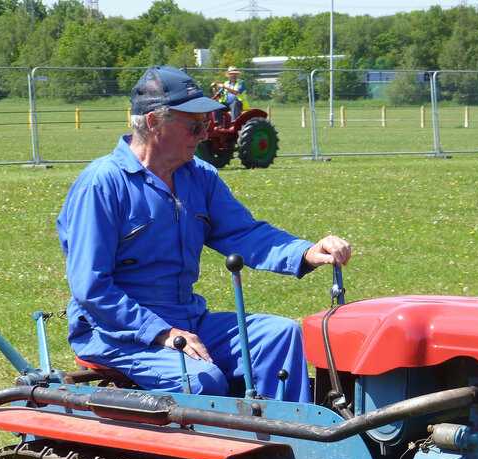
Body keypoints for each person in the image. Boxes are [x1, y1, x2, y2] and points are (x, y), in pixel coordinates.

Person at [57, 66, 351, 403]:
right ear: (153, 123)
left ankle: (294, 447)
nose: (204, 135)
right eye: (195, 126)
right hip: (116, 334)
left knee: (280, 336)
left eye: (208, 125)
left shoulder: (200, 177)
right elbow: (90, 287)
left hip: (186, 318)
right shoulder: (102, 184)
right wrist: (160, 332)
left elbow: (243, 233)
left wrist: (305, 252)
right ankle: (238, 455)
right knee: (202, 381)